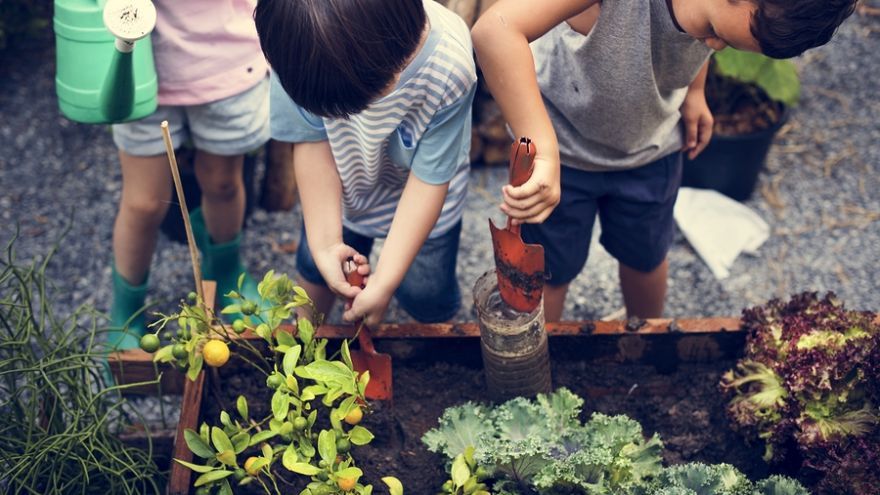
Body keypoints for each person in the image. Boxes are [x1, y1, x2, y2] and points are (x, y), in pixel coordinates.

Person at [471, 0, 857, 321]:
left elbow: (694, 43)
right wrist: (541, 142)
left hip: (652, 150)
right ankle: (545, 366)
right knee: (550, 273)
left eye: (724, 42)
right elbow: (495, 31)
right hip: (561, 157)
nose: (714, 45)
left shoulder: (721, 17)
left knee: (647, 257)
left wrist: (695, 92)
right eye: (714, 32)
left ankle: (648, 347)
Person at [255, 0, 477, 327]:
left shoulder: (449, 65)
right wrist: (327, 242)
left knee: (425, 290)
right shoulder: (294, 46)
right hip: (343, 187)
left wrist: (385, 281)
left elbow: (429, 180)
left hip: (427, 198)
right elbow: (312, 143)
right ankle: (304, 342)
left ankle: (432, 342)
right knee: (316, 266)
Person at [108, 0, 269, 349]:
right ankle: (126, 309)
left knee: (223, 182)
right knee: (144, 203)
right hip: (134, 60)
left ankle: (225, 272)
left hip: (225, 57)